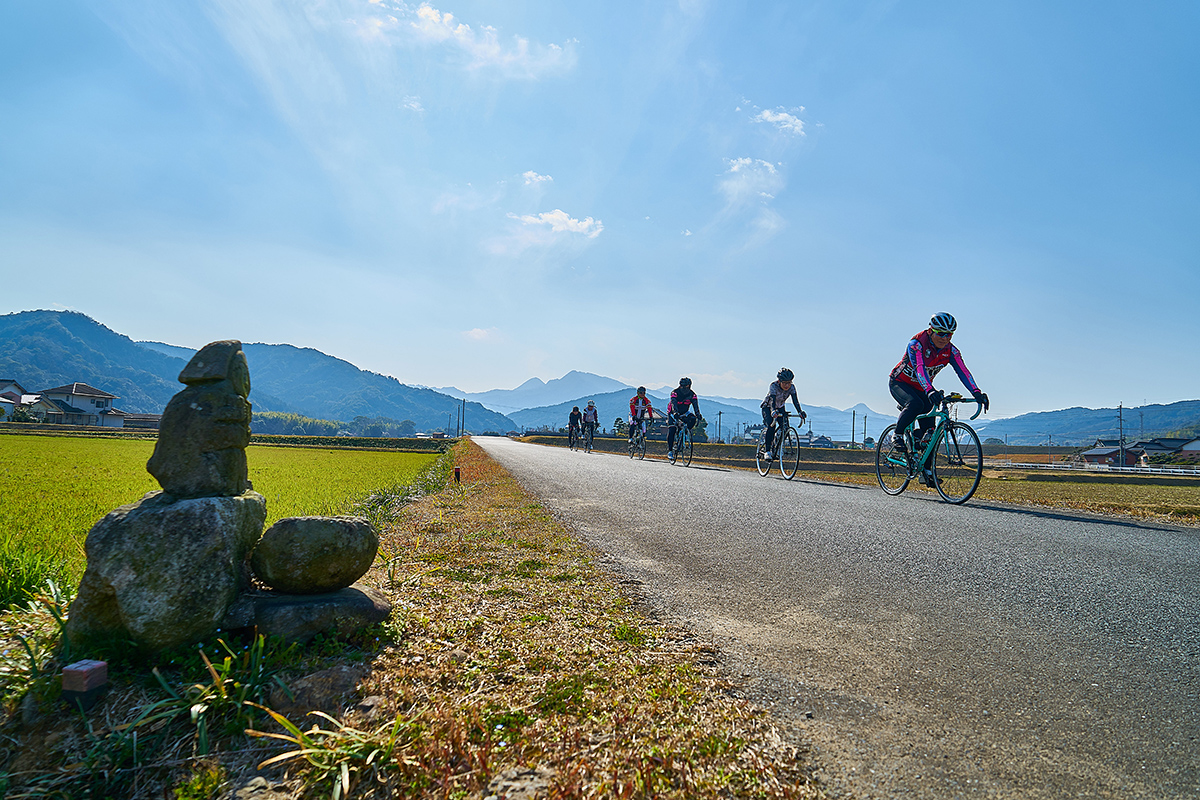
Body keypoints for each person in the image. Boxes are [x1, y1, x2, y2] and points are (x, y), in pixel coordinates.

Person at [889, 312, 989, 454]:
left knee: (931, 436)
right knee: (916, 404)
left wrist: (977, 392)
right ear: (930, 331)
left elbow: (963, 372)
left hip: (922, 387)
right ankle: (897, 434)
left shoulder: (951, 351)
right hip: (900, 383)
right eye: (941, 333)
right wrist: (930, 390)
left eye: (949, 335)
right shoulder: (916, 344)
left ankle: (928, 473)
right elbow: (920, 369)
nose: (945, 338)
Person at [759, 368, 806, 459]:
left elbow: (795, 401)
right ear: (779, 381)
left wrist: (800, 412)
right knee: (771, 426)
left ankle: (776, 444)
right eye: (784, 383)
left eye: (789, 383)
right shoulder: (773, 386)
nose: (787, 385)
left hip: (780, 407)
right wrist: (773, 411)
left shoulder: (792, 387)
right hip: (768, 407)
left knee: (785, 427)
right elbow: (772, 400)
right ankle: (767, 451)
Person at [666, 377, 702, 461]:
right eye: (683, 386)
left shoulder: (692, 395)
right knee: (672, 429)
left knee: (693, 419)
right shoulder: (675, 392)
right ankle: (670, 451)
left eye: (687, 386)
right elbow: (674, 403)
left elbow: (695, 406)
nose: (685, 388)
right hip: (672, 412)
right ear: (680, 386)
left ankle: (685, 433)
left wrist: (698, 414)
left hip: (684, 412)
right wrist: (675, 413)